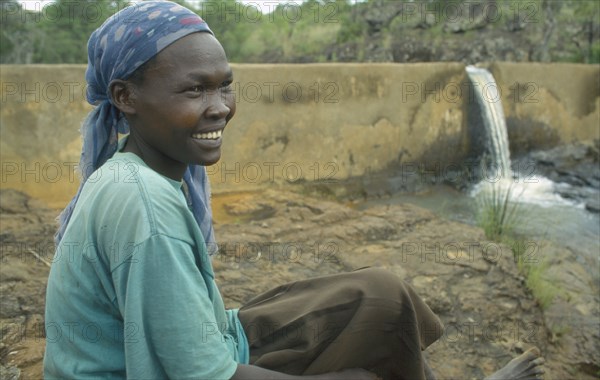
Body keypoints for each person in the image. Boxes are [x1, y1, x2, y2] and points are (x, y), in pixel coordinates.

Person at [44, 2, 545, 379]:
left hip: (216, 336)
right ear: (126, 97)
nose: (220, 107)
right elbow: (200, 375)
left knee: (384, 296)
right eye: (194, 90)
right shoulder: (145, 205)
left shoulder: (133, 171)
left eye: (225, 86)